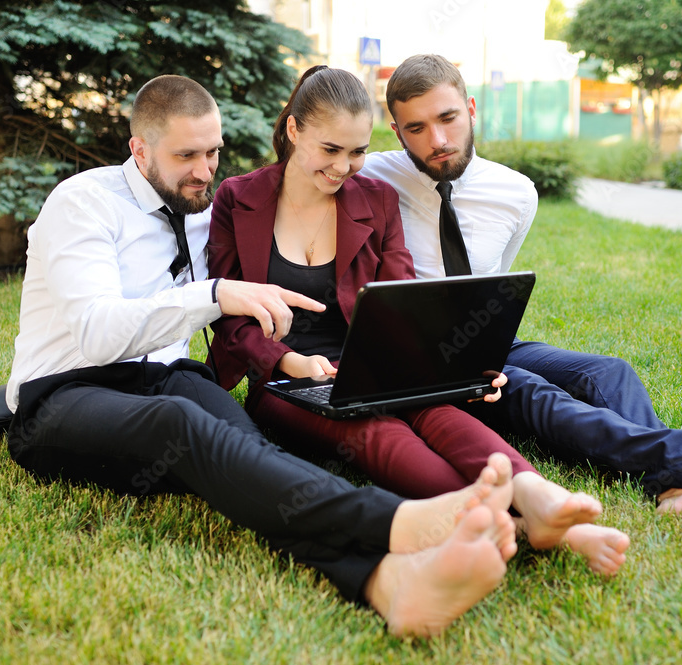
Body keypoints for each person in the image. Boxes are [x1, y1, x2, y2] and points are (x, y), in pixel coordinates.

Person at [4, 73, 523, 638]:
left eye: (213, 152)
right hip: (65, 393)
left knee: (246, 453)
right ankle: (398, 522)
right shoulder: (83, 204)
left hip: (168, 379)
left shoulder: (204, 206)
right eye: (186, 155)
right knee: (183, 423)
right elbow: (95, 333)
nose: (204, 171)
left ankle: (385, 584)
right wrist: (214, 293)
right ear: (140, 148)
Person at [360, 54, 682, 537]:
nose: (438, 141)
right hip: (424, 359)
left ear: (471, 109)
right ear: (396, 131)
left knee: (608, 372)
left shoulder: (516, 193)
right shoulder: (371, 177)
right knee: (534, 391)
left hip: (484, 339)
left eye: (447, 118)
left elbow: (495, 282)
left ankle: (676, 491)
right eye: (417, 128)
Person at [207, 65, 629, 576]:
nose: (344, 168)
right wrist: (293, 361)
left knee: (441, 414)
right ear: (294, 130)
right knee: (378, 431)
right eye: (330, 150)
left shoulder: (376, 199)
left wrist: (457, 369)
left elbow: (406, 299)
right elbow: (230, 318)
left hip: (372, 360)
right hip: (285, 378)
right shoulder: (238, 198)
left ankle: (536, 495)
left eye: (358, 152)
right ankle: (504, 521)